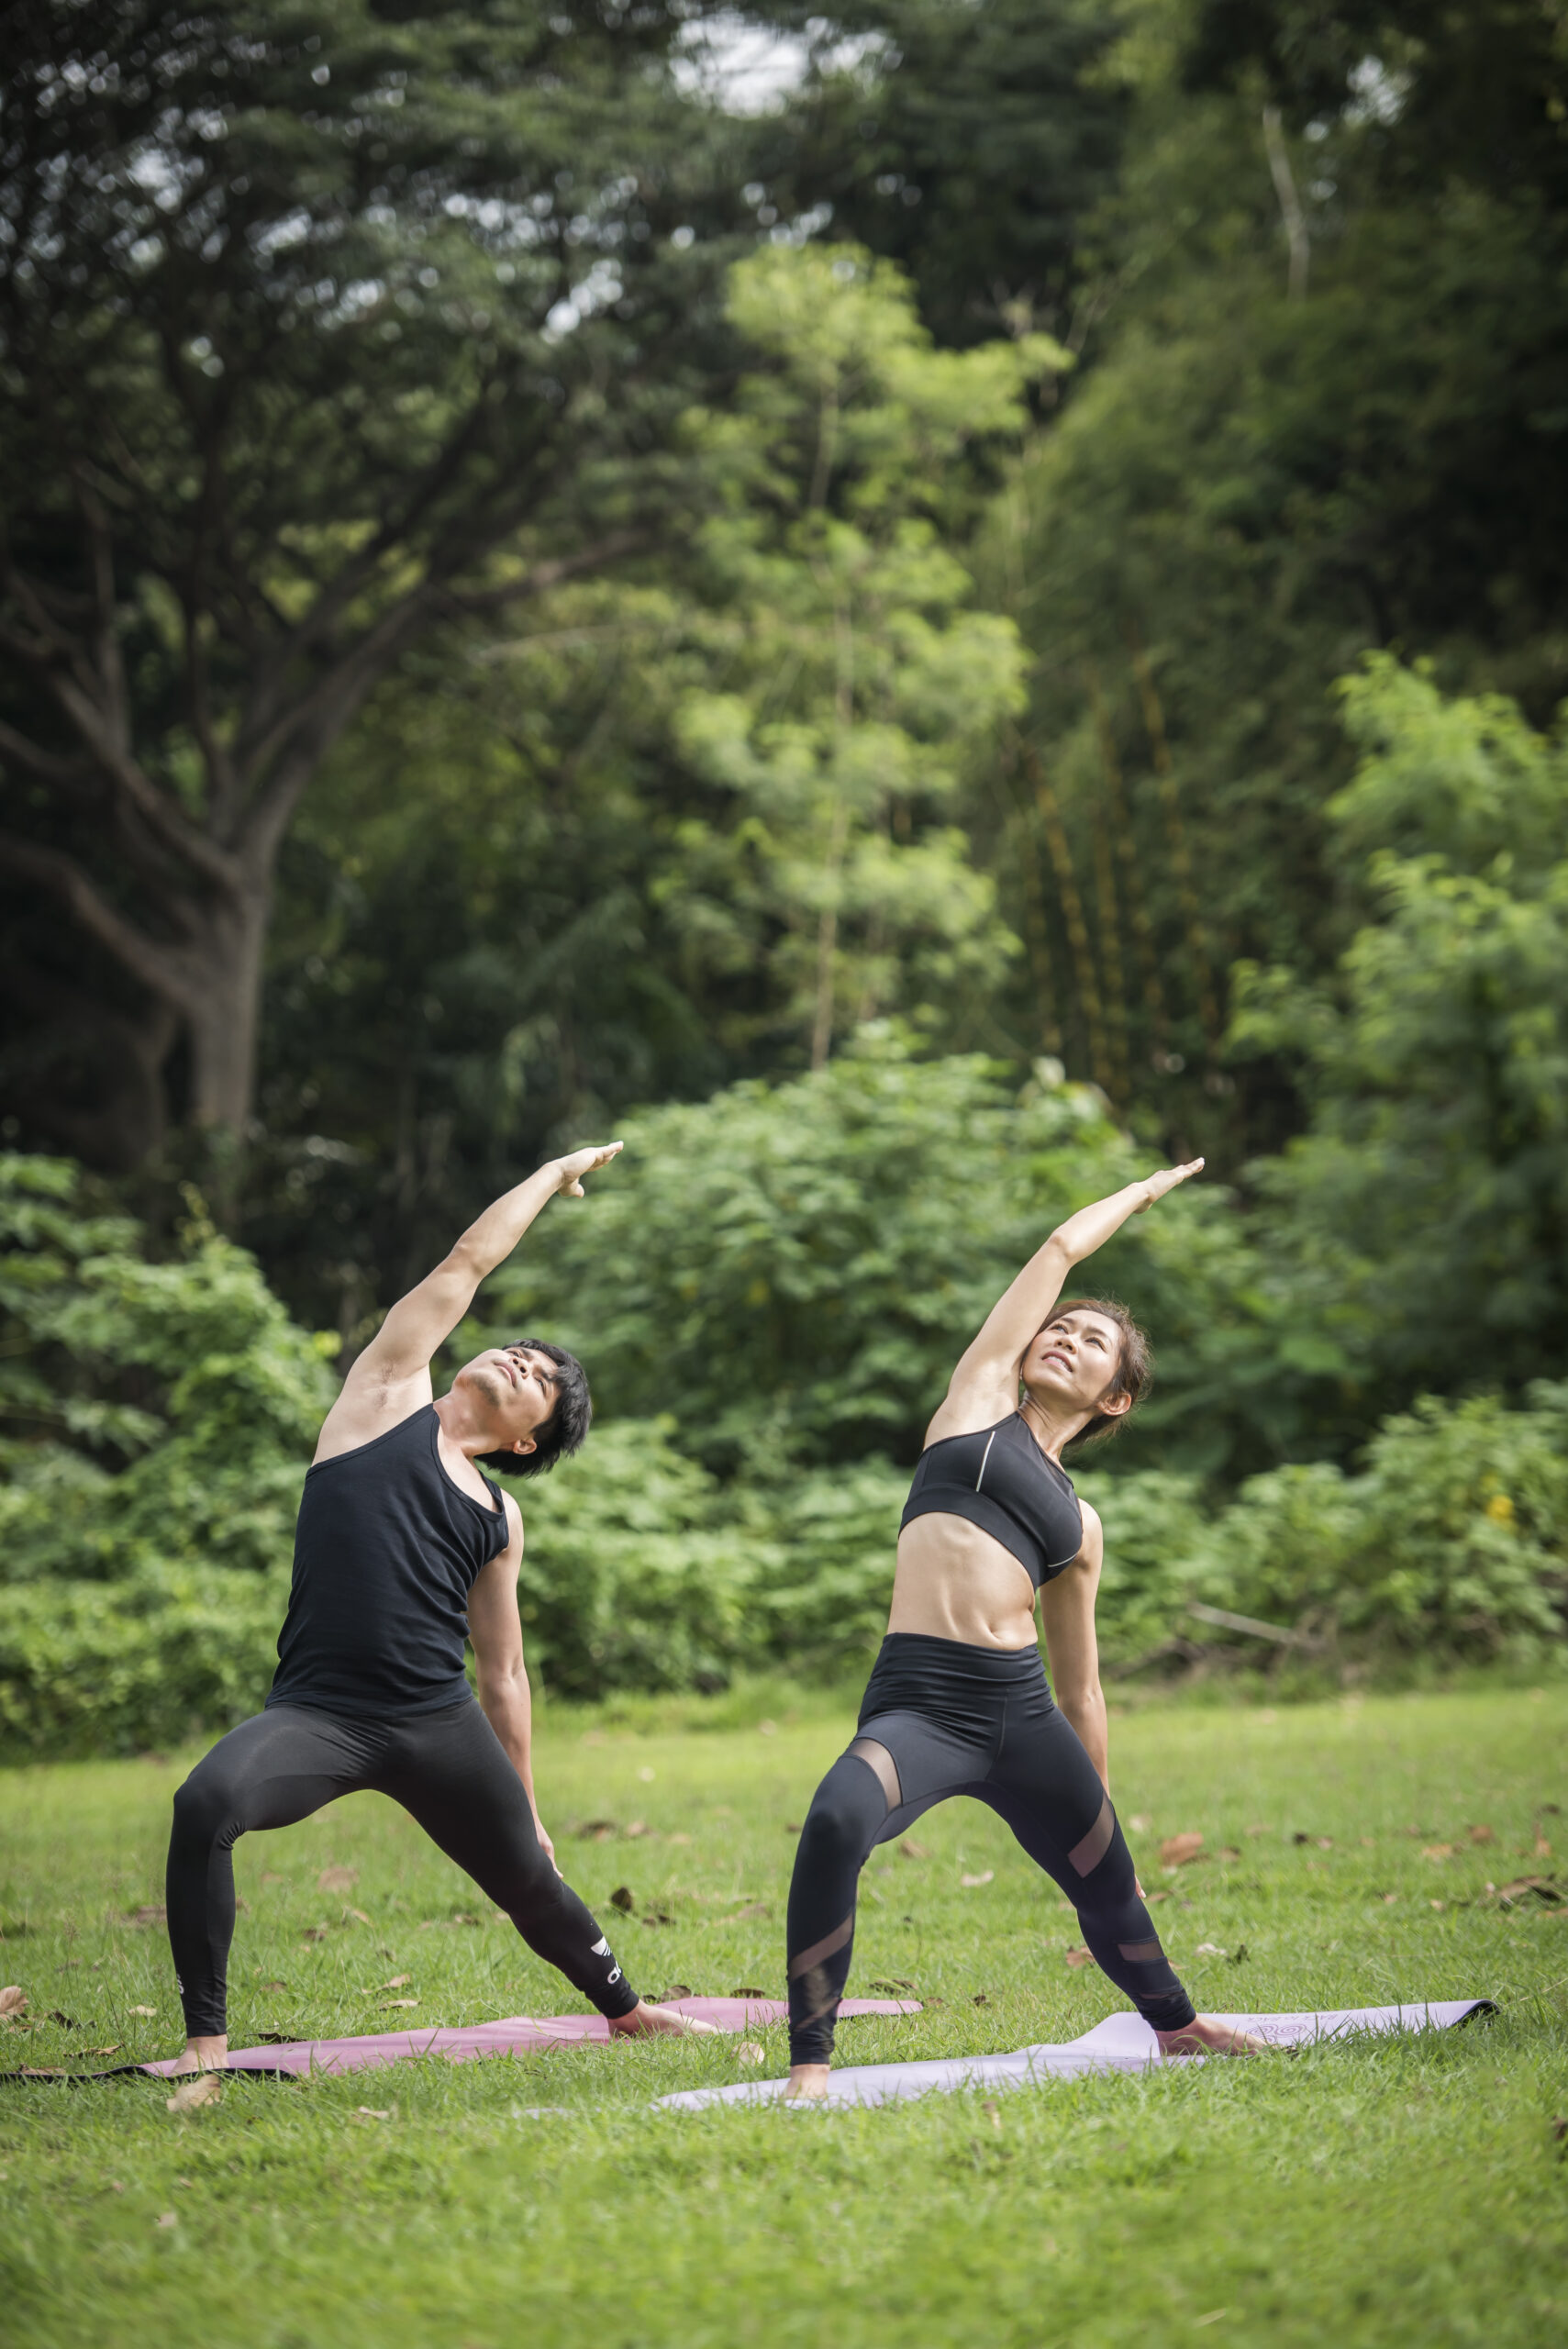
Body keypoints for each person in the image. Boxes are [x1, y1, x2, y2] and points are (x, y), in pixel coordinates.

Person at [163, 1145, 706, 2073]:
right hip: (321, 1712)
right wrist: (549, 1177)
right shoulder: (381, 1398)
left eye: (539, 1377)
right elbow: (468, 1260)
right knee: (203, 1803)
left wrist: (525, 1801)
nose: (520, 1358)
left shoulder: (500, 1516)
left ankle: (628, 2011)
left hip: (434, 1721)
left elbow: (504, 1671)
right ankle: (206, 2046)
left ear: (526, 1439)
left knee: (530, 1879)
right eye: (519, 1349)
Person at [783, 1161, 1265, 2098]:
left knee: (1107, 1882)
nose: (1066, 1339)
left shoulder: (1079, 1525)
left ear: (1114, 1398)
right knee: (836, 1818)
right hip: (920, 1704)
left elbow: (1080, 1684)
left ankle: (1177, 2028)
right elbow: (1058, 1248)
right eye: (1061, 1327)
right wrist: (1140, 1194)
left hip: (1021, 1713)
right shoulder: (975, 1404)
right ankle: (810, 2063)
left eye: (1093, 1342)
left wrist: (1099, 1796)